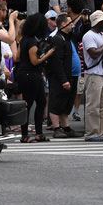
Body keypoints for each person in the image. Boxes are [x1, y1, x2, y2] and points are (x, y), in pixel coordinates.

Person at [14, 13, 54, 142]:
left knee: (40, 102)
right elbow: (35, 61)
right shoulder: (32, 42)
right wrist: (48, 54)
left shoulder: (24, 39)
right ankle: (25, 135)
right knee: (29, 104)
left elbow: (17, 58)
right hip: (31, 74)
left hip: (24, 73)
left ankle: (38, 133)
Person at [81, 11, 103, 141]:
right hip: (93, 73)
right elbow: (93, 53)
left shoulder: (102, 35)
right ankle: (92, 133)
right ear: (98, 22)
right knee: (93, 104)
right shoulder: (88, 36)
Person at [46, 14, 77, 137]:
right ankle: (56, 128)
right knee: (56, 101)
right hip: (59, 78)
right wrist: (63, 79)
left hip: (70, 75)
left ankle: (66, 127)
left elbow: (77, 35)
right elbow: (57, 62)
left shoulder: (67, 38)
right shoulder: (58, 39)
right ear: (63, 24)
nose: (72, 24)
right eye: (70, 22)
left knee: (66, 102)